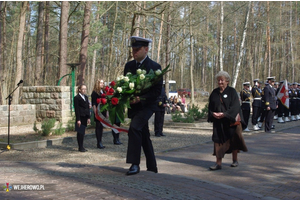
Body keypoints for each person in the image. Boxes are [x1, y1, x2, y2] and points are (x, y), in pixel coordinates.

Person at [123, 36, 163, 175]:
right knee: (143, 134)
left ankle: (134, 164)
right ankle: (152, 166)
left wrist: (141, 98)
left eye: (137, 49)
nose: (134, 52)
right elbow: (125, 85)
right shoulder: (129, 66)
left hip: (147, 106)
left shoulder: (155, 67)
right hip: (134, 107)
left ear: (146, 49)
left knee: (134, 128)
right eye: (133, 49)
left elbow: (157, 91)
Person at [207, 71, 247, 170]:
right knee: (218, 142)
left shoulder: (232, 92)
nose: (220, 82)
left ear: (227, 81)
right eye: (218, 80)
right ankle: (218, 163)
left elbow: (236, 107)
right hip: (218, 122)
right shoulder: (214, 93)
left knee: (234, 141)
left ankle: (235, 160)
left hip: (231, 122)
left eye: (222, 80)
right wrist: (213, 114)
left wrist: (225, 114)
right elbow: (210, 106)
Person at [74, 84, 91, 152]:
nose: (84, 90)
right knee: (80, 132)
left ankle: (82, 146)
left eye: (85, 89)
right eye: (83, 89)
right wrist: (78, 119)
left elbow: (87, 108)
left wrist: (88, 117)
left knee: (83, 132)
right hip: (80, 116)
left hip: (85, 116)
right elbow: (77, 109)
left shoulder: (86, 97)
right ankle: (80, 146)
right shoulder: (77, 98)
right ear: (79, 90)